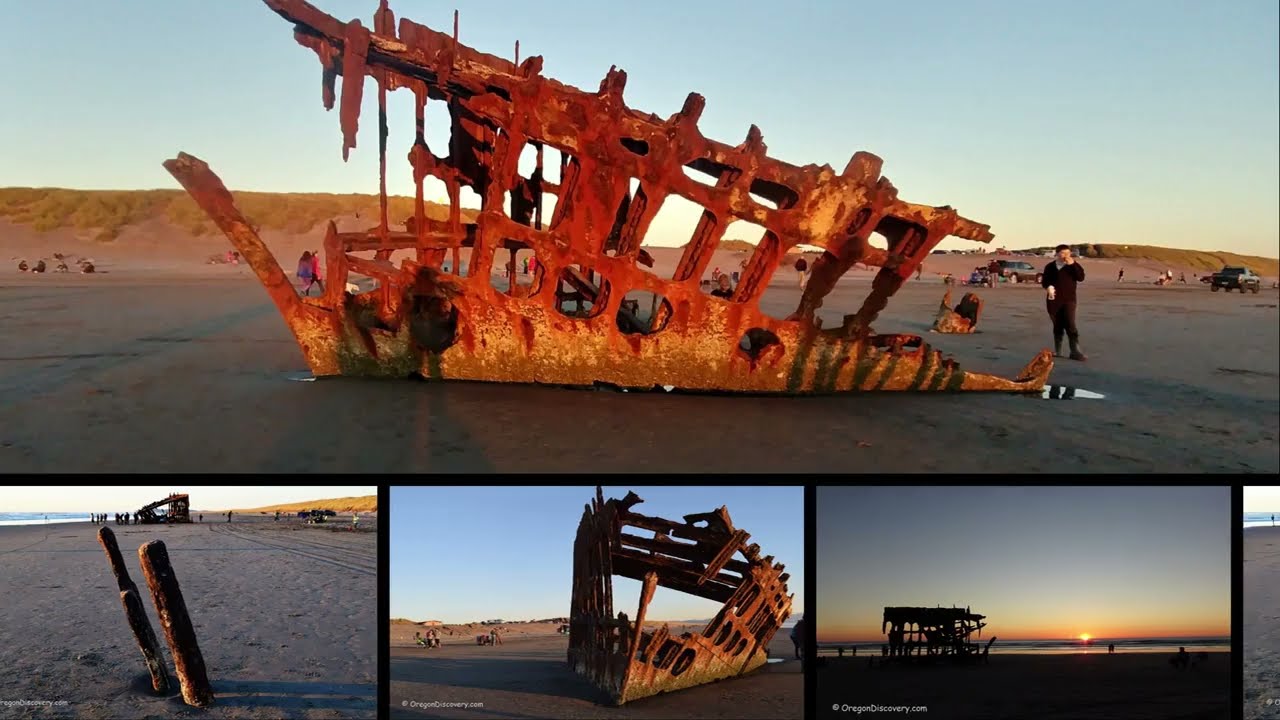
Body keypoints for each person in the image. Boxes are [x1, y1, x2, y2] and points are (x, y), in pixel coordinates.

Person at [1040, 244, 1087, 361]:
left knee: (1070, 324)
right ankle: (1058, 350)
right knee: (1057, 325)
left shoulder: (1073, 266)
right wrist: (1048, 287)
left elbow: (1081, 278)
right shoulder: (1050, 267)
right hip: (1053, 300)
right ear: (1057, 254)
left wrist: (1073, 265)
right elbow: (1045, 281)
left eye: (1068, 253)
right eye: (1063, 253)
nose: (1066, 255)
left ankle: (1075, 351)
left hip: (1069, 300)